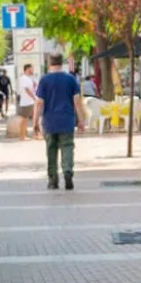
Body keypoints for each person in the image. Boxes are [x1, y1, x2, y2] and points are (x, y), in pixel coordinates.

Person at [34, 54, 87, 190]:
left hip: (49, 122)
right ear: (61, 63)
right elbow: (77, 102)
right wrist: (81, 120)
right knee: (67, 146)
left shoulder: (44, 80)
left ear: (49, 63)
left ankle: (53, 180)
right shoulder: (70, 79)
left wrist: (35, 123)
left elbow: (39, 103)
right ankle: (68, 171)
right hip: (66, 120)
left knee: (51, 150)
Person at [15, 63, 39, 140]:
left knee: (30, 119)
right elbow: (26, 90)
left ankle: (33, 135)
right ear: (28, 69)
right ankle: (22, 136)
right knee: (24, 119)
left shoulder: (28, 78)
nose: (33, 70)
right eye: (32, 68)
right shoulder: (24, 78)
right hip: (26, 102)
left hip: (30, 101)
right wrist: (33, 98)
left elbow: (31, 88)